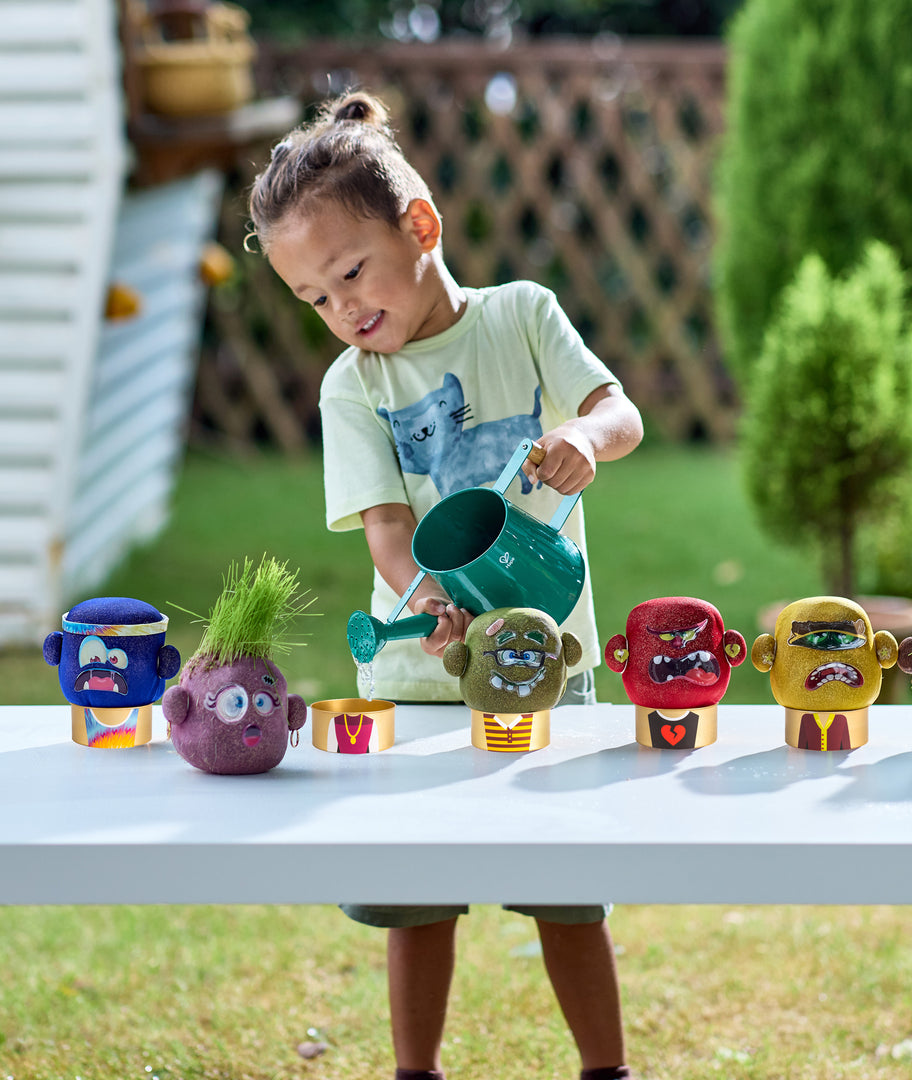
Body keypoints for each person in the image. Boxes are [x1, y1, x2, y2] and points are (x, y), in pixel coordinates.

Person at [248, 89, 643, 1080]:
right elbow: (389, 531)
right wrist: (425, 600)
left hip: (544, 665)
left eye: (351, 273)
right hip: (419, 683)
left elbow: (617, 409)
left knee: (566, 894)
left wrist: (584, 438)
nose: (344, 310)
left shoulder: (521, 318)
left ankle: (609, 1070)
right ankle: (414, 1073)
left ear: (420, 226)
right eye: (316, 299)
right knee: (415, 902)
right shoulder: (356, 383)